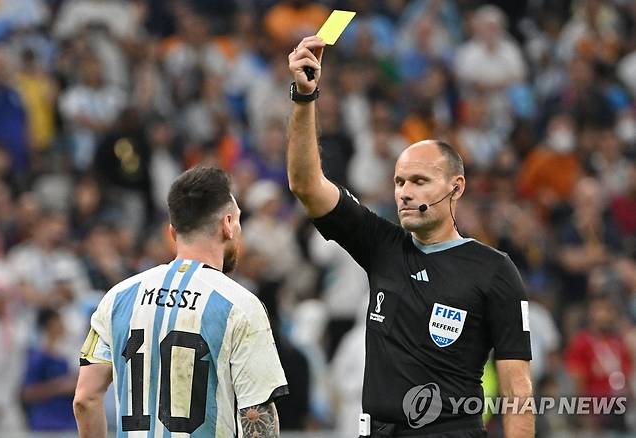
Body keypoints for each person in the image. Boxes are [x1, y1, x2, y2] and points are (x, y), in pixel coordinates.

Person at [286, 36, 533, 437]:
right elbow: (305, 185)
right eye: (399, 181)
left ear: (457, 187)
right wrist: (303, 97)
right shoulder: (382, 245)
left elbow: (517, 389)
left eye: (419, 181)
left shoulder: (493, 270)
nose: (404, 191)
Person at [73, 166, 288, 437]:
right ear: (228, 225)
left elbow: (85, 400)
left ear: (173, 232)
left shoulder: (117, 298)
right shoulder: (240, 306)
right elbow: (257, 418)